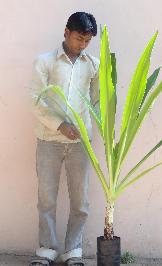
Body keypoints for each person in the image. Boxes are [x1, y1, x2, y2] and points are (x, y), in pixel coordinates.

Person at [30, 12, 99, 266]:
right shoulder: (45, 62)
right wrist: (60, 126)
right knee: (46, 199)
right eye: (79, 38)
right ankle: (47, 250)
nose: (82, 45)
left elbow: (97, 102)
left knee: (80, 201)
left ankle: (73, 252)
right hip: (48, 139)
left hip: (80, 143)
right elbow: (35, 100)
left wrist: (95, 127)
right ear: (66, 32)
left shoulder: (93, 65)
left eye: (87, 41)